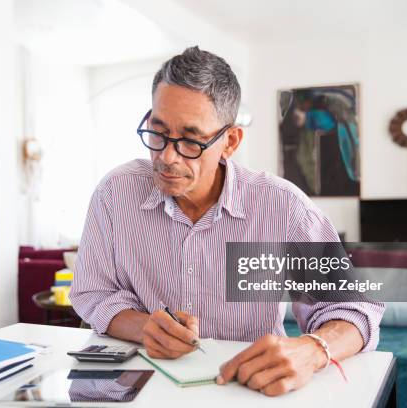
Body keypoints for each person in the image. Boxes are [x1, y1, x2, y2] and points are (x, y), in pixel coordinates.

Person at [71, 46, 384, 397]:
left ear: (230, 141)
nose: (166, 157)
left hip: (246, 392)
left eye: (190, 140)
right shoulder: (115, 193)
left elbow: (355, 308)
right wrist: (143, 327)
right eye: (157, 132)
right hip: (140, 390)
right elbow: (92, 293)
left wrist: (312, 350)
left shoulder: (283, 207)